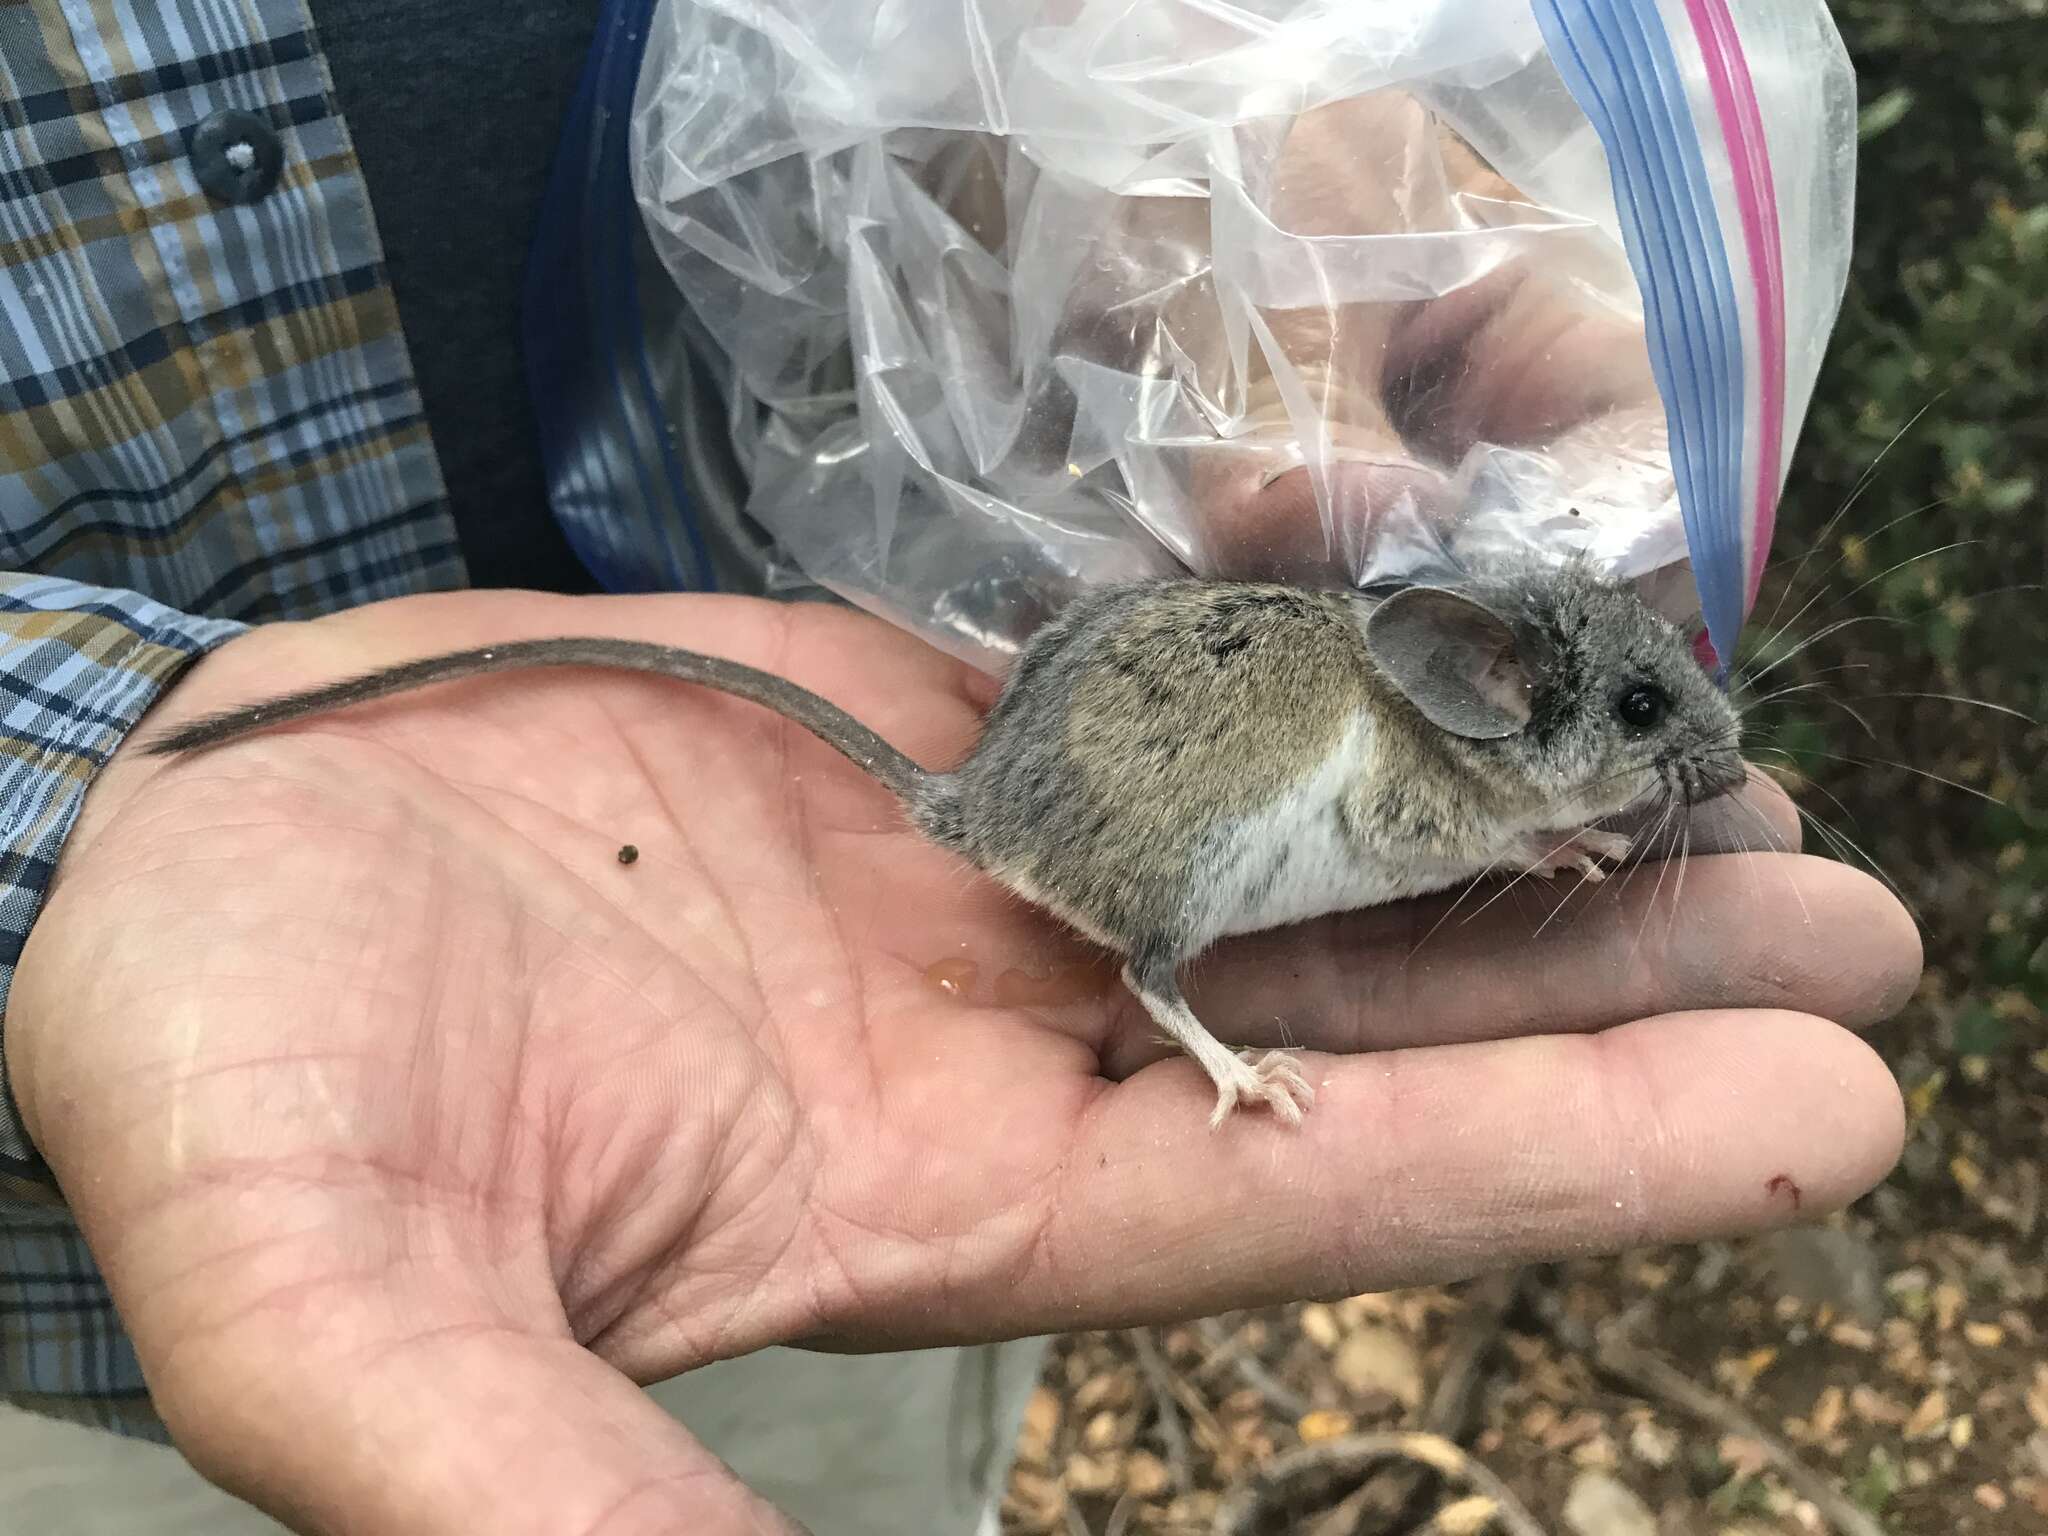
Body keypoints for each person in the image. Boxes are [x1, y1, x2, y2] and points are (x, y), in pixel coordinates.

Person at [0, 4, 1920, 1534]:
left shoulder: (1474, 713)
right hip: (126, 1277)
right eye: (1645, 725)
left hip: (883, 1113)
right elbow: (1429, 824)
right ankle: (1186, 1009)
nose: (1695, 746)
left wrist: (1145, 95)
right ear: (1491, 689)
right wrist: (70, 799)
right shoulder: (1449, 731)